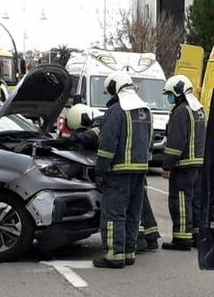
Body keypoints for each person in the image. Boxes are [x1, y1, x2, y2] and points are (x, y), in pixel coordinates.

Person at [66, 103, 160, 252]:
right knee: (139, 206)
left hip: (123, 170)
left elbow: (94, 137)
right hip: (137, 168)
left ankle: (137, 240)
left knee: (120, 211)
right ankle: (149, 237)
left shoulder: (99, 122)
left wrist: (75, 138)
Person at [93, 72, 152, 269]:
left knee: (114, 213)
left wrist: (100, 170)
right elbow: (149, 142)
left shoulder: (117, 111)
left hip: (118, 171)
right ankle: (129, 252)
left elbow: (108, 143)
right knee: (133, 214)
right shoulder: (145, 110)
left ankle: (114, 255)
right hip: (140, 170)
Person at [160, 75, 205, 250]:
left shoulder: (180, 112)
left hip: (184, 165)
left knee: (180, 201)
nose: (169, 98)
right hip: (198, 163)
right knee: (195, 201)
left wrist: (167, 165)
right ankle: (195, 235)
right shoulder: (198, 108)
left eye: (170, 94)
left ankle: (181, 239)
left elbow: (176, 142)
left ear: (178, 92)